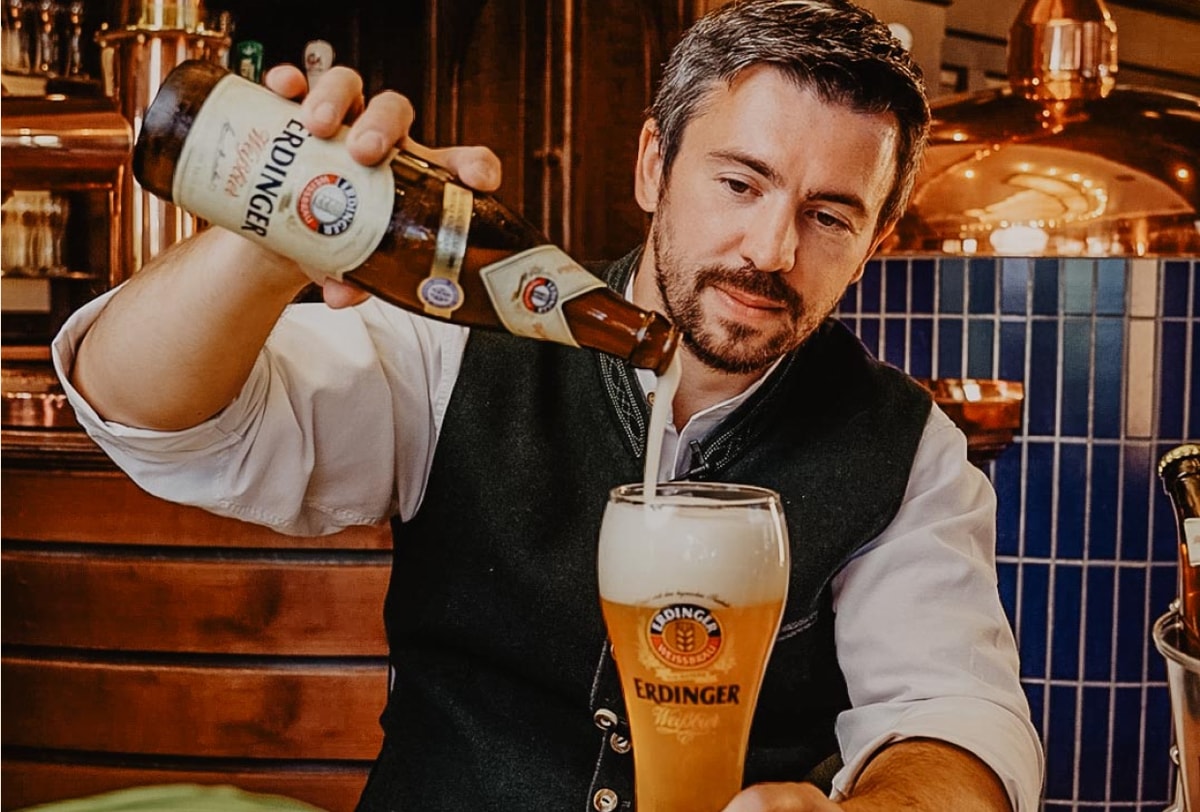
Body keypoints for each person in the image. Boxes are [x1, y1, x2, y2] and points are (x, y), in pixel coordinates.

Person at [53, 0, 1044, 809]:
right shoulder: (457, 343)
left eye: (830, 215)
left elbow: (954, 717)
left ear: (875, 236)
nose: (772, 249)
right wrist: (263, 245)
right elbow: (156, 420)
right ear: (654, 164)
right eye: (740, 182)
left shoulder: (906, 447)